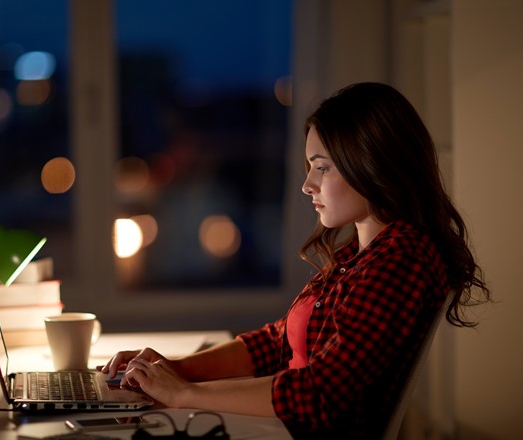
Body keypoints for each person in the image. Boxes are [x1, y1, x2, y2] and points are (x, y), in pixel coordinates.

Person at [98, 82, 490, 439]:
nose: (307, 185)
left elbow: (321, 392)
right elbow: (277, 342)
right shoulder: (362, 254)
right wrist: (177, 370)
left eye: (322, 167)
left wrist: (183, 393)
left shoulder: (402, 259)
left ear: (372, 164)